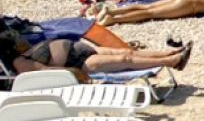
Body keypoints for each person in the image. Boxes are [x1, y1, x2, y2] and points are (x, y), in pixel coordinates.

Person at [3, 33, 192, 80]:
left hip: (82, 50)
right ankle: (173, 61)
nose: (21, 39)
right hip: (79, 62)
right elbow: (45, 71)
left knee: (128, 52)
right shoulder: (19, 61)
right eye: (16, 39)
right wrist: (74, 72)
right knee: (124, 60)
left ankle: (172, 51)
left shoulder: (26, 50)